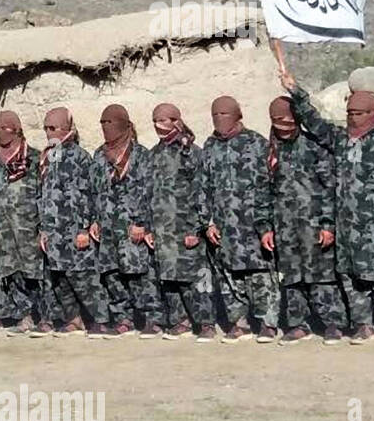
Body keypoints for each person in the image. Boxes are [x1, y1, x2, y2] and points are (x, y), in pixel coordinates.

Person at [280, 71, 374, 344]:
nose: (354, 118)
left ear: (372, 112)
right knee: (349, 277)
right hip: (345, 223)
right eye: (350, 113)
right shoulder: (341, 140)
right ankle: (363, 325)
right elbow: (314, 123)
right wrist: (294, 90)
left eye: (359, 113)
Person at [202, 95, 280, 342]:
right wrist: (208, 222)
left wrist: (266, 225)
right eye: (215, 115)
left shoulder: (256, 143)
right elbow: (203, 187)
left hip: (253, 224)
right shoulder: (210, 146)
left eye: (225, 114)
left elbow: (268, 186)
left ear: (238, 115)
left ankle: (268, 323)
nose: (219, 119)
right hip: (224, 226)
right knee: (229, 277)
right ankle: (239, 322)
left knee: (260, 275)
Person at [267, 96, 343, 344]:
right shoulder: (269, 152)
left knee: (322, 275)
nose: (285, 128)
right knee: (291, 278)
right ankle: (298, 324)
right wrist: (265, 228)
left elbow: (329, 188)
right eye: (279, 123)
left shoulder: (313, 147)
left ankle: (333, 323)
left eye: (289, 122)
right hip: (284, 226)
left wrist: (327, 225)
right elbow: (262, 192)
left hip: (314, 224)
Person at [147, 103, 214, 340]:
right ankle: (179, 321)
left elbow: (202, 191)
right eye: (155, 121)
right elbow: (148, 193)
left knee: (195, 277)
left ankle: (206, 324)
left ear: (177, 120)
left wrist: (198, 226)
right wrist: (148, 228)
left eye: (164, 121)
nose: (158, 126)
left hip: (186, 227)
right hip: (162, 229)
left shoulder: (192, 152)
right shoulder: (153, 155)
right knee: (168, 278)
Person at [38, 108, 107, 336]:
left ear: (67, 129)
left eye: (53, 128)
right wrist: (44, 230)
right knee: (59, 278)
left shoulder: (79, 157)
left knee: (83, 278)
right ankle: (73, 319)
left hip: (74, 229)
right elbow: (44, 195)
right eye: (46, 128)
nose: (48, 133)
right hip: (54, 231)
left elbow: (87, 194)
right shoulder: (47, 156)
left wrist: (84, 228)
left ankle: (101, 320)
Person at [91, 104, 159, 337]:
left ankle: (152, 319)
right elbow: (94, 191)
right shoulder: (98, 155)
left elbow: (149, 191)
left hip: (132, 226)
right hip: (108, 227)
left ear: (125, 124)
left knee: (139, 274)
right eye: (103, 123)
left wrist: (142, 223)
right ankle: (123, 319)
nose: (106, 127)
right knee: (112, 274)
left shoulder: (141, 155)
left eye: (110, 122)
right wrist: (94, 220)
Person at [0, 111, 43, 334]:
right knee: (11, 273)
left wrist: (42, 227)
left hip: (29, 225)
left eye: (5, 128)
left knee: (34, 273)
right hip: (4, 227)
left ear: (17, 129)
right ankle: (24, 315)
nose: (1, 132)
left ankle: (43, 315)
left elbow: (42, 193)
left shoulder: (34, 158)